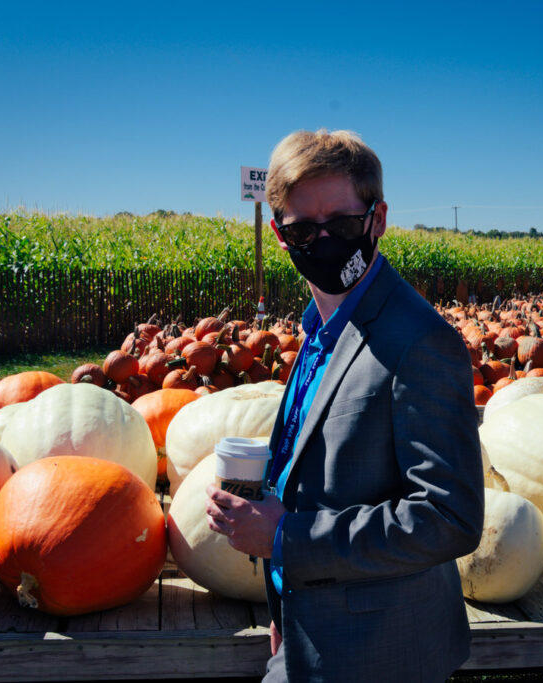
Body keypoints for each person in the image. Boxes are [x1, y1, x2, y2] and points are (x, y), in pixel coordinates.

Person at [205, 129, 485, 682]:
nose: (325, 240)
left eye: (344, 224)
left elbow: (449, 519)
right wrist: (289, 604)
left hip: (382, 649)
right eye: (305, 229)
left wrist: (285, 539)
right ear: (282, 238)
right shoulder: (318, 329)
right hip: (316, 630)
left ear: (377, 220)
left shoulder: (418, 341)